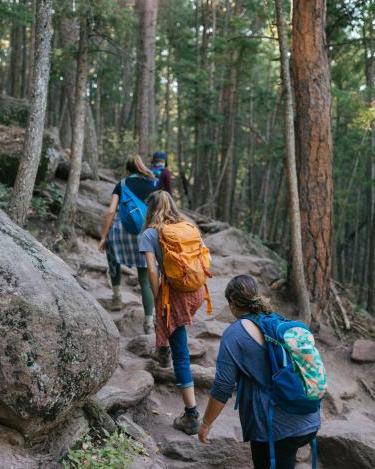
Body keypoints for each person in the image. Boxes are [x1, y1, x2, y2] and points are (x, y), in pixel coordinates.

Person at [198, 275, 321, 469]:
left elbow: (223, 387)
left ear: (232, 303)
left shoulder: (234, 334)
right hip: (308, 415)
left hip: (275, 426)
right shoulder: (275, 321)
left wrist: (205, 423)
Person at [139, 190, 208, 436]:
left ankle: (191, 415)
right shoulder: (188, 226)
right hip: (197, 291)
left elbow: (151, 271)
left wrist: (157, 295)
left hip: (176, 294)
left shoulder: (149, 234)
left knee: (180, 348)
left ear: (150, 209)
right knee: (169, 319)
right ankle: (163, 349)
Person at [99, 155, 158, 334]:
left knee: (112, 252)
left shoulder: (122, 184)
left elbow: (111, 211)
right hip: (145, 234)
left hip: (122, 231)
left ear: (128, 170)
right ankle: (149, 322)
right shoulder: (153, 184)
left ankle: (117, 296)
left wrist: (103, 236)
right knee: (145, 280)